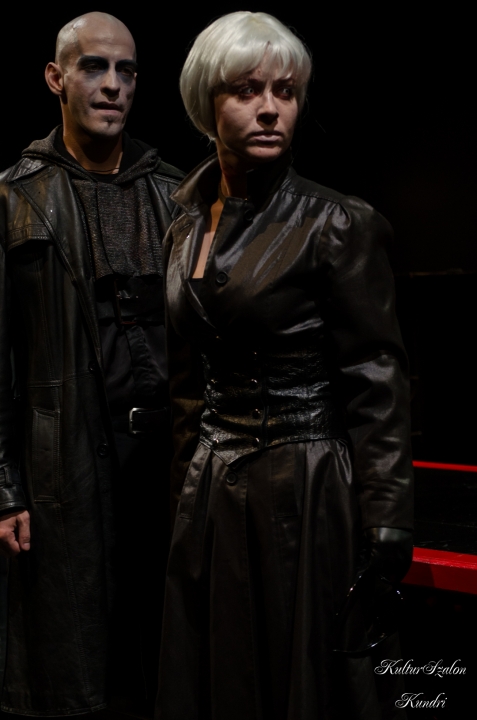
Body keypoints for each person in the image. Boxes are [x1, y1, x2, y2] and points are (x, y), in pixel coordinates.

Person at [156, 11, 414, 720]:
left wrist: (387, 514)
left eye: (286, 90)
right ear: (206, 102)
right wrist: (183, 495)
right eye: (247, 90)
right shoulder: (183, 226)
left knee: (304, 679)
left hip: (306, 485)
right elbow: (186, 386)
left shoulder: (336, 223)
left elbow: (376, 376)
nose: (271, 108)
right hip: (212, 492)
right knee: (222, 678)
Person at [0, 12, 183, 716]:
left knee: (163, 657)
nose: (112, 85)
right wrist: (6, 488)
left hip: (165, 464)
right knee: (79, 668)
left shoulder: (176, 193)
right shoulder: (17, 197)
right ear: (56, 78)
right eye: (94, 67)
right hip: (67, 465)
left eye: (126, 70)